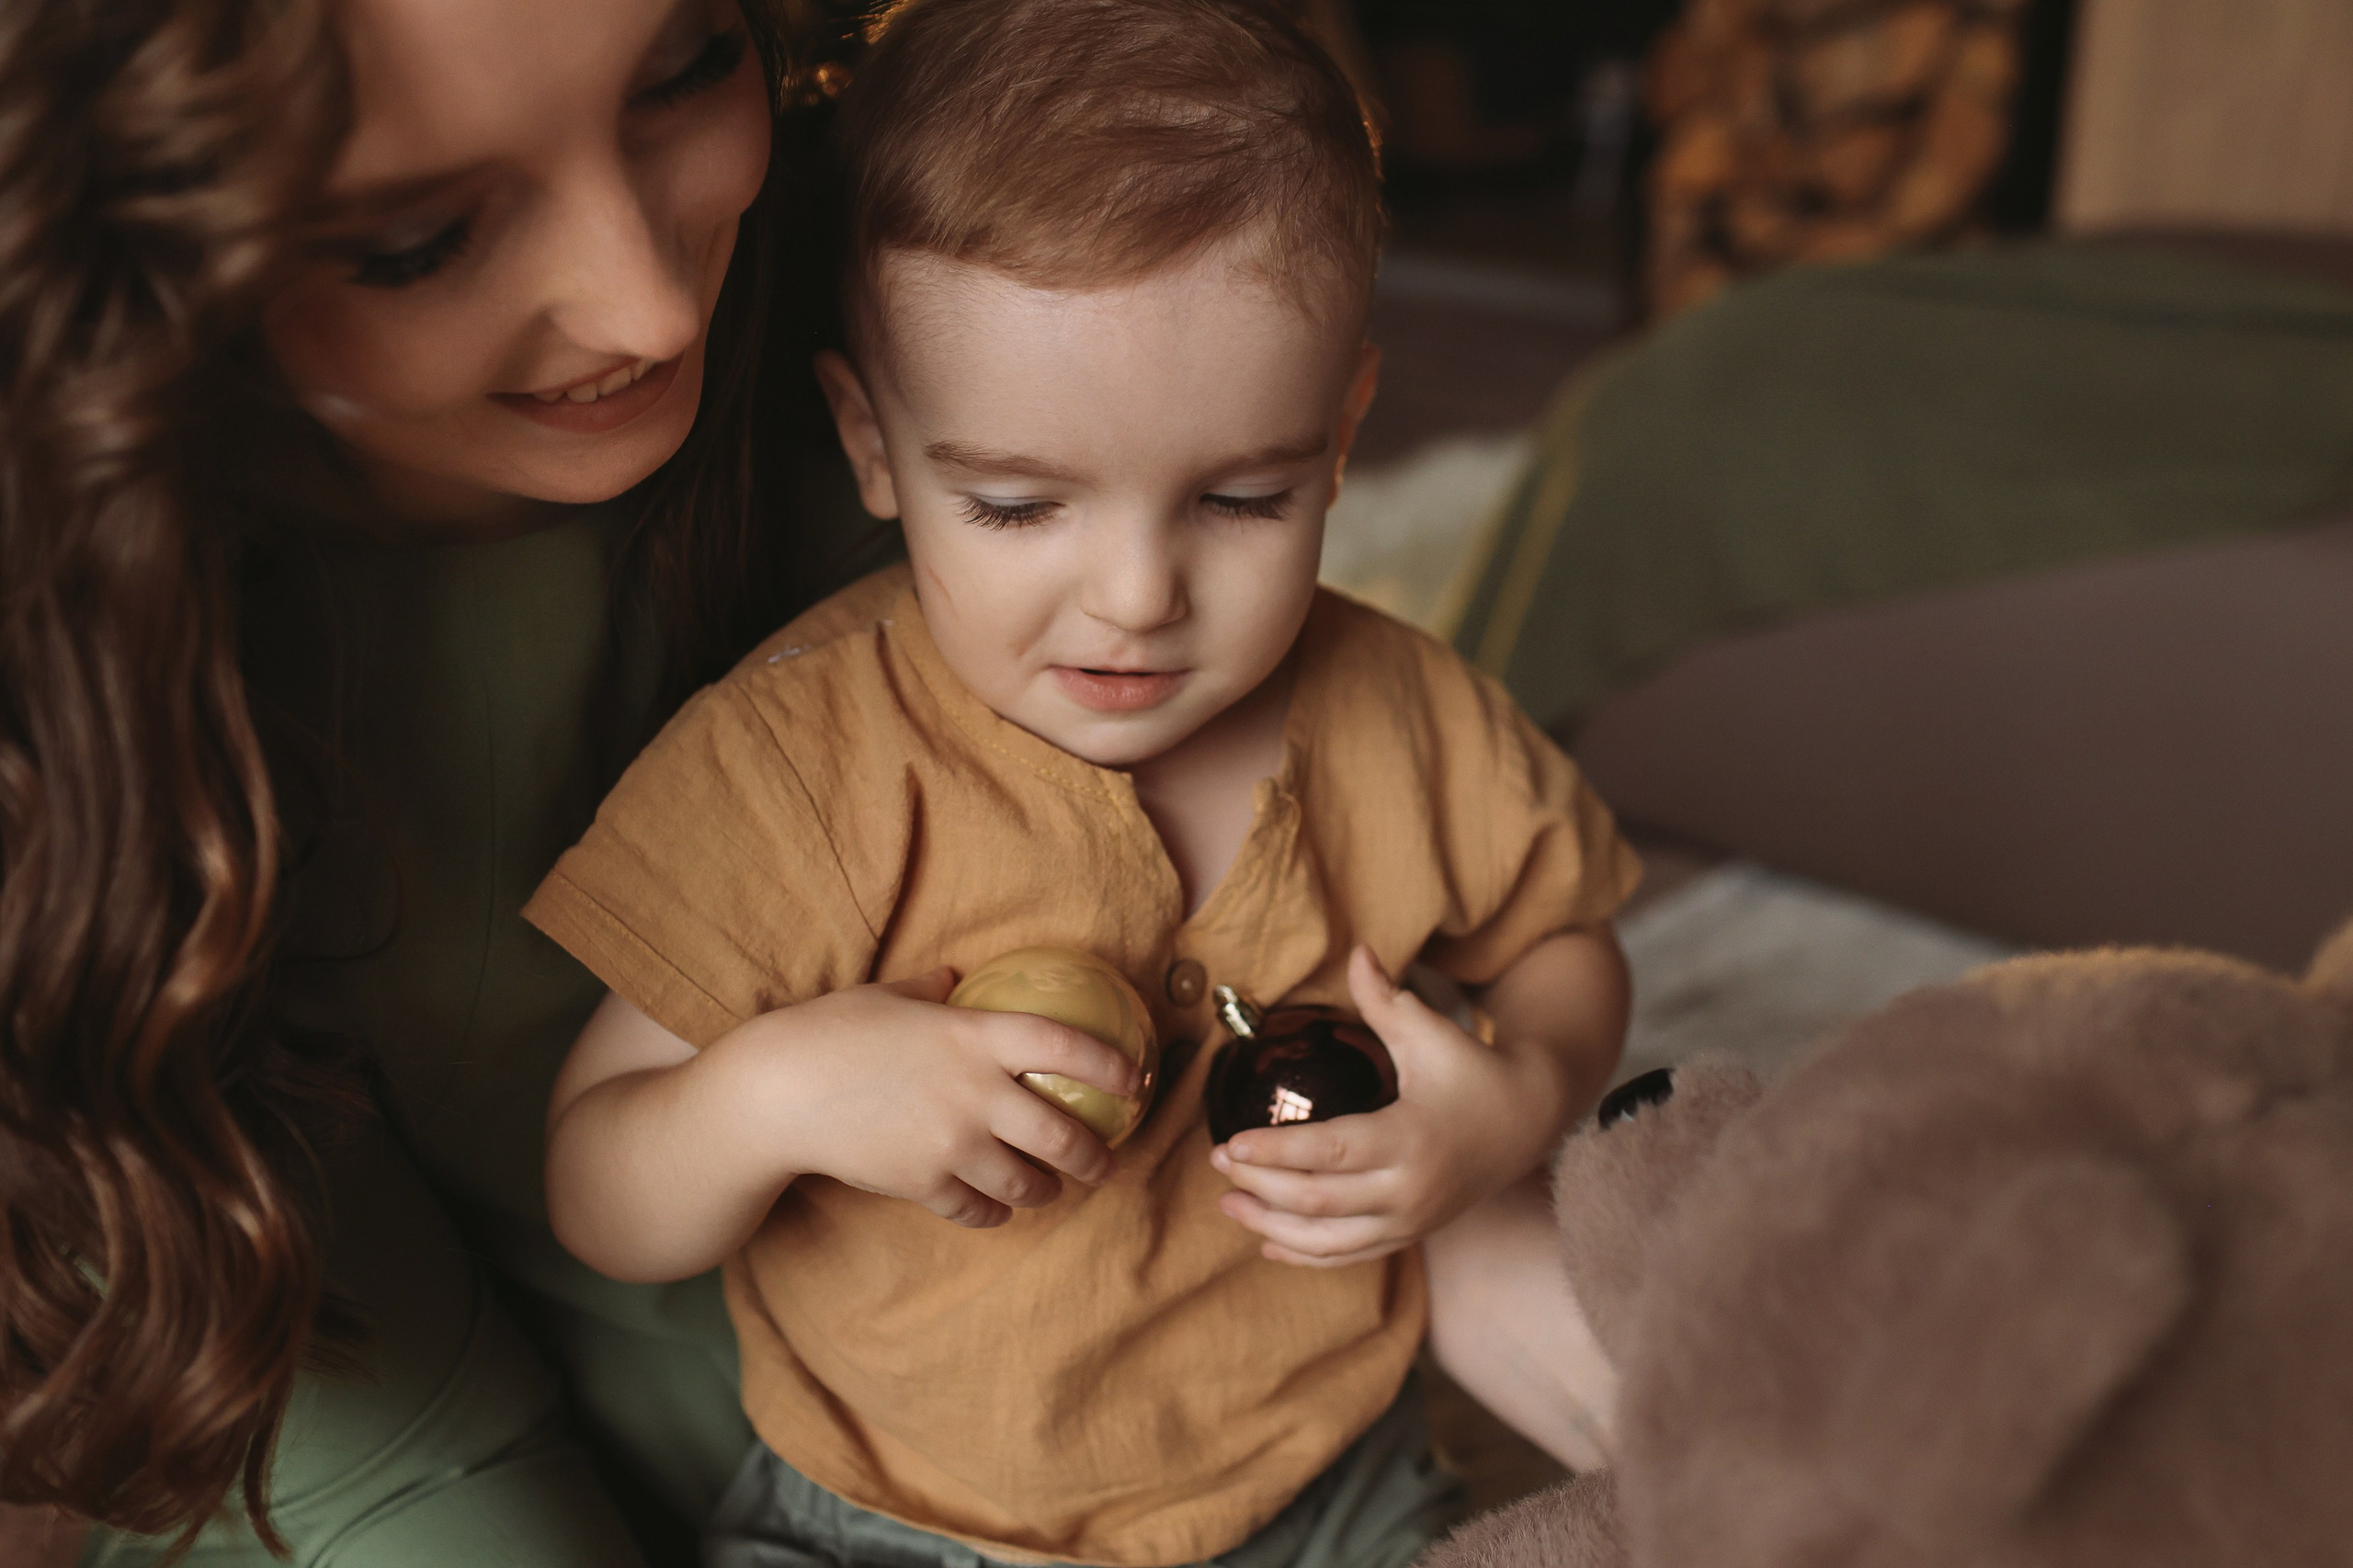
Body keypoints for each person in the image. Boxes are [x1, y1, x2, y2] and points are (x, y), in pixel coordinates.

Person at [522, 3, 1639, 1564]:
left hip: (1321, 1471)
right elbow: (597, 1187)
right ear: (872, 444)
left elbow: (1565, 938)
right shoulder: (798, 764)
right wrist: (778, 1090)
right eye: (1016, 504)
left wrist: (1515, 1099)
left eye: (1241, 497)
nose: (1134, 594)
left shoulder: (1396, 709)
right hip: (892, 1520)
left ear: (1340, 439)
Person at [0, 1, 871, 1562]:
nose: (649, 303)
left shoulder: (878, 298)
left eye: (682, 75)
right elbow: (366, 1455)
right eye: (415, 240)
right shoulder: (69, 694)